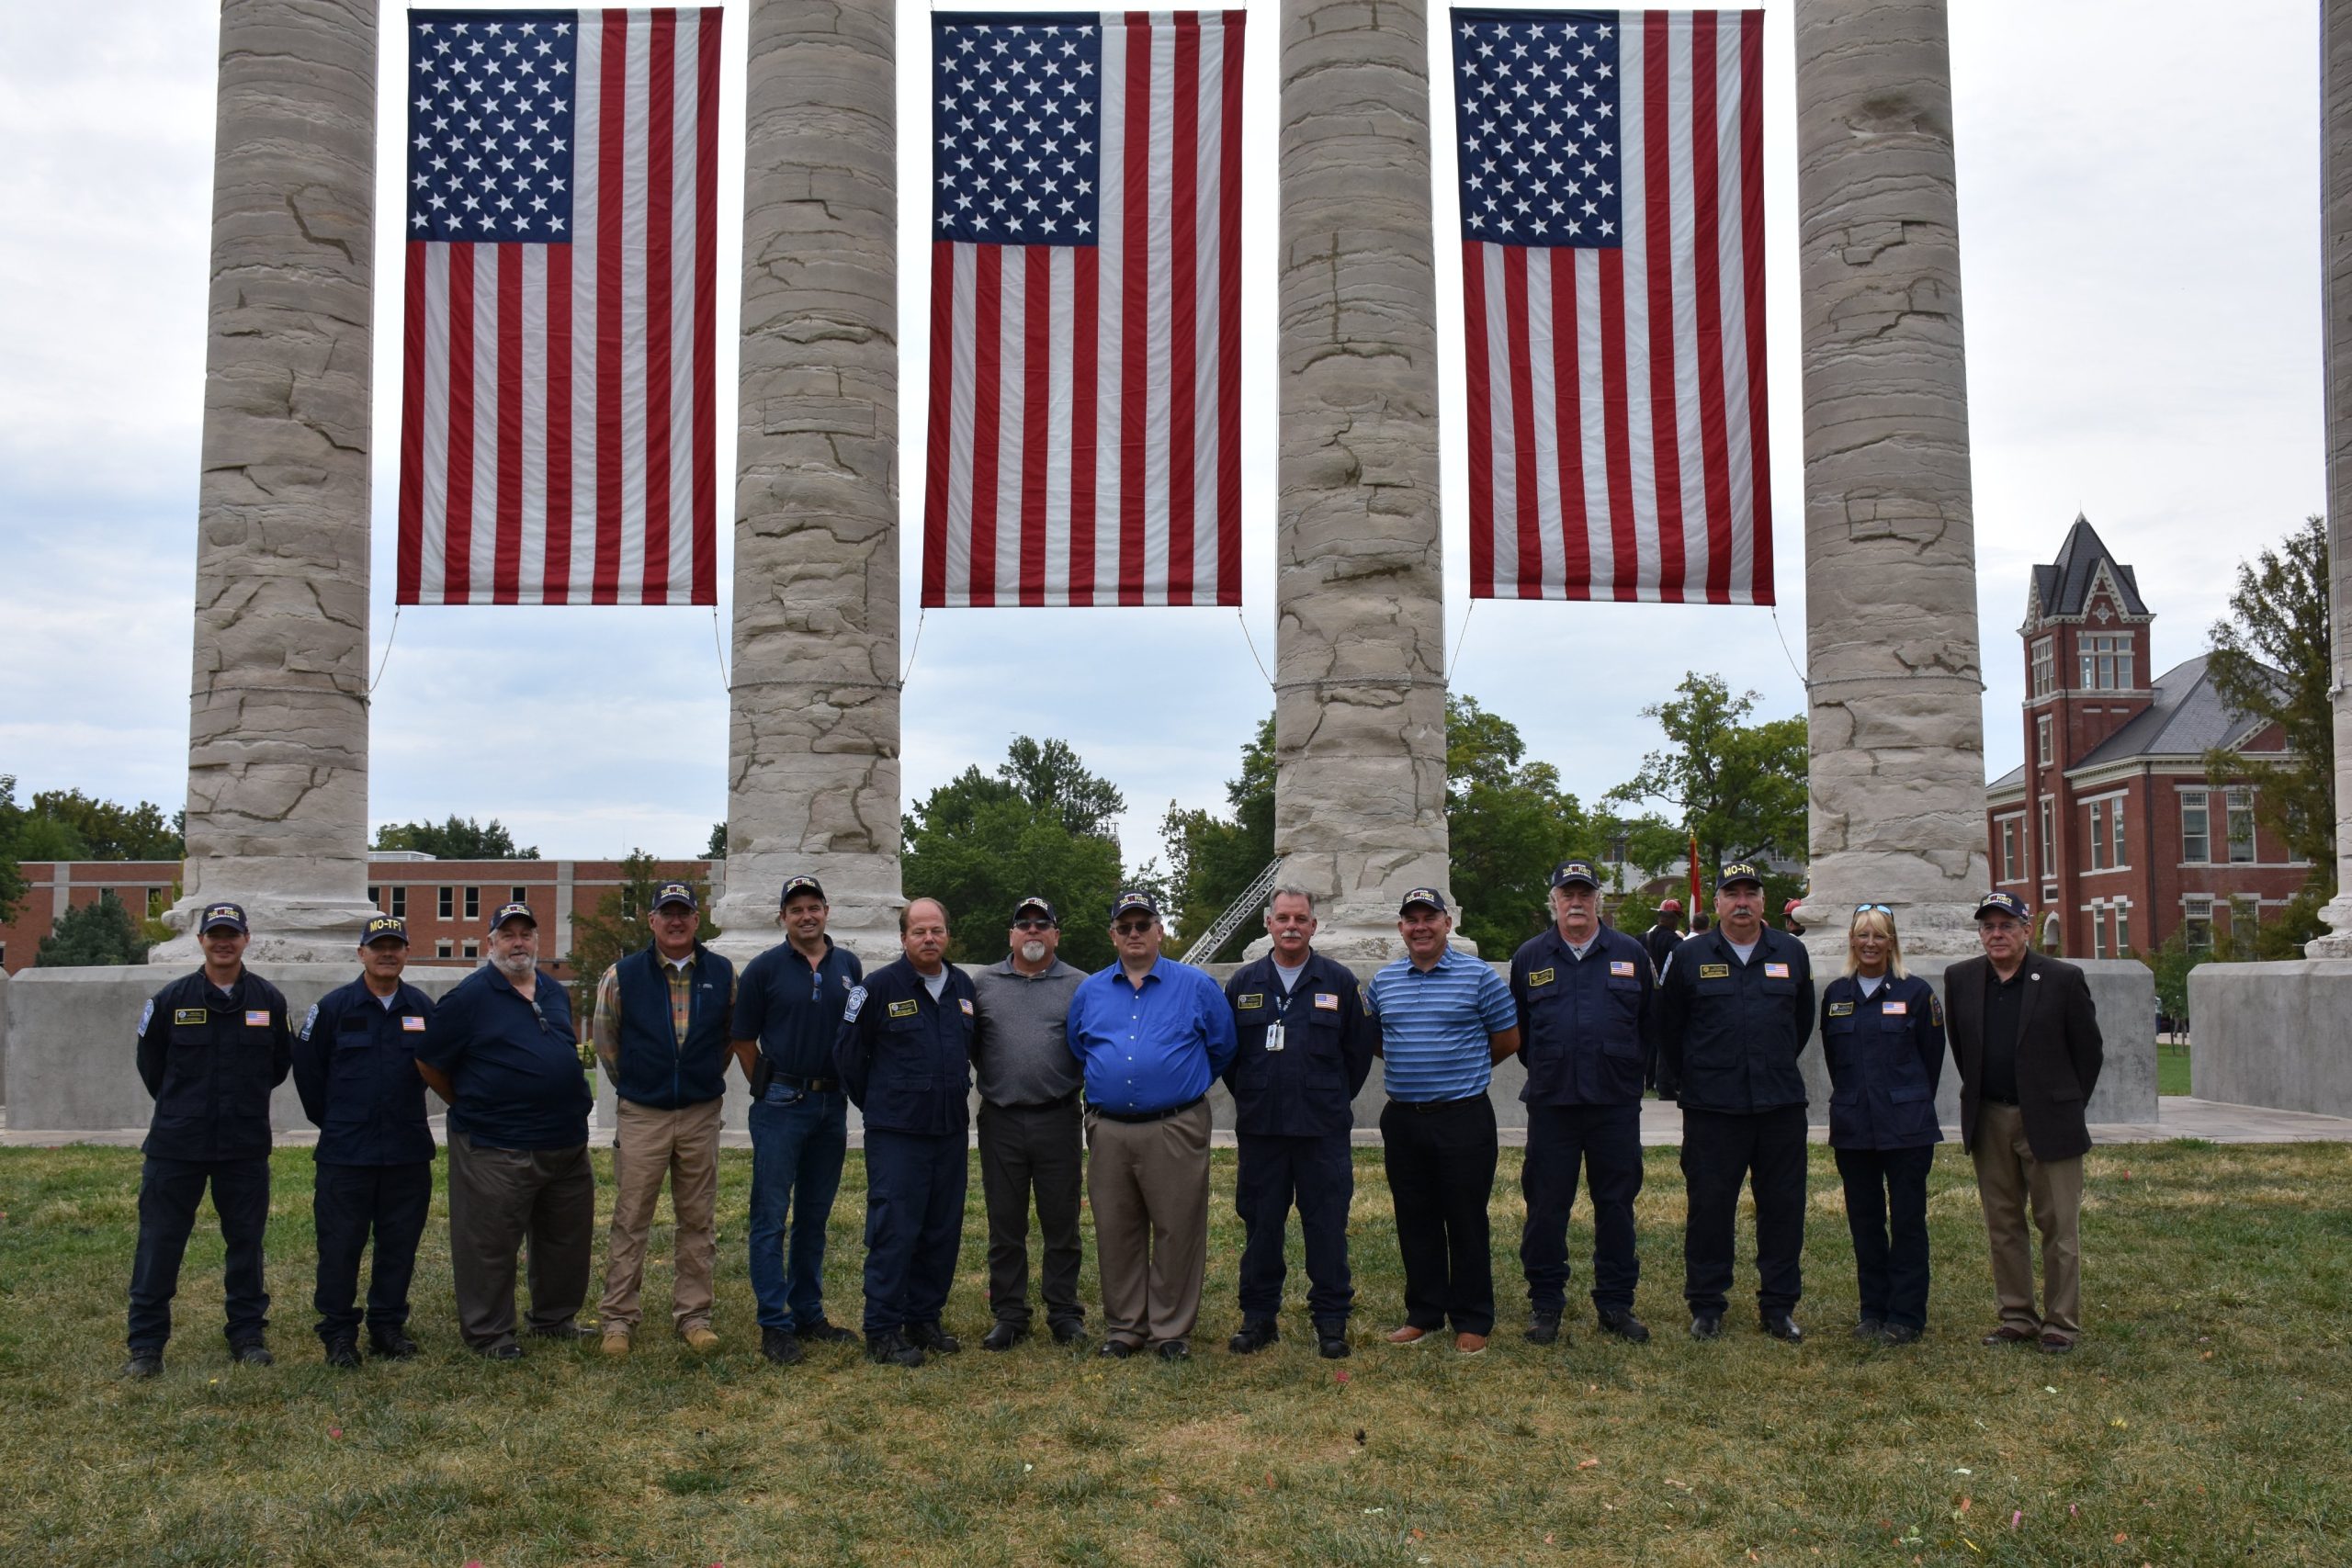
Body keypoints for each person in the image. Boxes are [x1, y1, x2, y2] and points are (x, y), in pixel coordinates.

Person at [415, 902, 595, 1359]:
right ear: (491, 942)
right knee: (488, 1245)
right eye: (508, 934)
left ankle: (555, 1319)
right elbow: (429, 1062)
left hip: (565, 1142)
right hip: (496, 1145)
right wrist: (473, 1103)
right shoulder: (468, 998)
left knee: (565, 1241)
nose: (519, 943)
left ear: (537, 940)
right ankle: (490, 1334)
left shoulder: (553, 991)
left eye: (526, 934)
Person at [123, 901, 295, 1377]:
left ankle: (246, 1335)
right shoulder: (171, 999)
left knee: (245, 1244)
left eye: (232, 934)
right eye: (215, 934)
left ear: (246, 939)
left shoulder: (268, 1001)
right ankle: (146, 1346)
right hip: (177, 1145)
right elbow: (151, 1065)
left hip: (243, 1144)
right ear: (201, 940)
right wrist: (186, 1107)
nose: (224, 942)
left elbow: (278, 1066)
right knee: (159, 1244)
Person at [1067, 890, 1238, 1361]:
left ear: (1160, 930)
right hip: (1109, 1128)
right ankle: (1125, 1328)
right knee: (1116, 1228)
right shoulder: (1091, 991)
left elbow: (1222, 1046)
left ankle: (1170, 1332)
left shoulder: (1196, 986)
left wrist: (1175, 1081)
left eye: (1144, 925)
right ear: (1113, 936)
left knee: (1177, 1228)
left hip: (1175, 1126)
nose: (1135, 934)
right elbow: (1079, 1047)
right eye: (1125, 927)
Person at [1657, 863, 1816, 1343]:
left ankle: (1778, 1305)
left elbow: (1800, 1022)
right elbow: (1669, 1028)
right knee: (1709, 1207)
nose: (1742, 902)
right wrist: (1698, 1078)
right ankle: (1707, 1305)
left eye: (1751, 893)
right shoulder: (1690, 956)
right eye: (1733, 894)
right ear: (1718, 904)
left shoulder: (1791, 952)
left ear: (1764, 902)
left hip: (1778, 1105)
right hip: (1712, 1107)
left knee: (1783, 1207)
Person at [1943, 891, 2103, 1354]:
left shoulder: (2062, 979)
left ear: (2026, 929)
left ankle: (2060, 1323)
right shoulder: (1961, 979)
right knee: (2003, 1223)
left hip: (2049, 1121)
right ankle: (2016, 1315)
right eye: (1988, 926)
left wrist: (2063, 1105)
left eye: (2006, 925)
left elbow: (2088, 1052)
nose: (1997, 934)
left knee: (2059, 1226)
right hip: (1989, 1116)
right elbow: (1962, 1045)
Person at [1221, 887, 1375, 1359]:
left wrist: (1325, 1099)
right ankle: (1258, 1319)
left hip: (1321, 1132)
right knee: (1261, 1227)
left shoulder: (1339, 980)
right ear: (1267, 923)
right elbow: (1231, 1058)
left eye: (1301, 919)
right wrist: (1255, 1094)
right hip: (1263, 1130)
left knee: (1326, 1226)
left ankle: (1331, 1323)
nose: (1291, 926)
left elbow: (1358, 1054)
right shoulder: (1244, 983)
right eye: (1282, 917)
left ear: (1314, 926)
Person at [1365, 887, 1521, 1356]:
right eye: (1411, 919)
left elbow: (1508, 1040)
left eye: (1429, 918)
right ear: (1401, 929)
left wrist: (1460, 1071)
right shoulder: (1383, 982)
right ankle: (1424, 1313)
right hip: (1404, 1118)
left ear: (1446, 923)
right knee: (1415, 1217)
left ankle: (1472, 1319)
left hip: (1464, 1117)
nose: (1420, 927)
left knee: (1466, 1219)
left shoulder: (1480, 978)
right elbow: (1376, 1039)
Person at [1508, 861, 1656, 1348]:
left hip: (1614, 1102)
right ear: (1553, 899)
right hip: (1553, 1103)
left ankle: (1615, 1304)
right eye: (1567, 893)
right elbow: (1521, 1034)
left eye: (1585, 894)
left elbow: (1648, 1025)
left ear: (1597, 900)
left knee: (1616, 1205)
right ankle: (1546, 1304)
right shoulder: (1531, 956)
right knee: (1547, 1207)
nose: (1576, 902)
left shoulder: (1630, 952)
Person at [591, 882, 736, 1358]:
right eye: (666, 913)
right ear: (651, 921)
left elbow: (729, 1040)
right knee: (631, 1218)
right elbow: (606, 1040)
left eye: (684, 913)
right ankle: (618, 1318)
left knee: (697, 1219)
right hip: (643, 1114)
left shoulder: (722, 973)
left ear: (698, 920)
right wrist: (640, 1083)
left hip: (698, 1112)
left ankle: (693, 1315)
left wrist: (695, 1079)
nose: (676, 921)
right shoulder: (622, 975)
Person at [835, 897, 977, 1368]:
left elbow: (970, 1048)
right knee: (894, 1229)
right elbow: (848, 1056)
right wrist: (879, 1104)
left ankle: (924, 1318)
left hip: (949, 1130)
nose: (929, 939)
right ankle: (882, 1328)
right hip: (897, 1134)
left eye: (936, 930)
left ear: (947, 935)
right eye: (919, 932)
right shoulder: (875, 988)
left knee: (941, 1230)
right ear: (903, 939)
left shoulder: (963, 987)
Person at [730, 874, 866, 1365]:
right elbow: (743, 1038)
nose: (806, 916)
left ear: (827, 911)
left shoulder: (849, 964)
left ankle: (808, 1312)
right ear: (782, 918)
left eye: (814, 907)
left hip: (832, 1104)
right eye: (796, 909)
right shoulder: (764, 969)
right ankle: (774, 1321)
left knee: (815, 1215)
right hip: (781, 1104)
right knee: (770, 1218)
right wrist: (764, 1087)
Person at [291, 914, 436, 1367]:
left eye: (396, 945)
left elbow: (439, 1067)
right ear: (361, 954)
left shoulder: (423, 1010)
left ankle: (387, 1327)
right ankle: (338, 1334)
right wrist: (338, 1123)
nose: (387, 953)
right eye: (378, 946)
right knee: (340, 1246)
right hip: (346, 1155)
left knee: (399, 1245)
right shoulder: (333, 1008)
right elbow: (308, 1075)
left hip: (406, 1151)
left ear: (407, 953)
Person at [1817, 905, 1945, 1345]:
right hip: (1854, 1127)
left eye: (1879, 936)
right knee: (1865, 1222)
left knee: (1908, 1222)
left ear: (1892, 942)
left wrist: (1901, 1100)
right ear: (1851, 941)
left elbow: (1931, 1061)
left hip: (1906, 1128)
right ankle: (1872, 1311)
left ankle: (1906, 1316)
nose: (1870, 943)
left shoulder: (1916, 992)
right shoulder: (1835, 994)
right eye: (1862, 935)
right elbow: (1836, 1062)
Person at [970, 897, 1091, 1350]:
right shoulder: (982, 984)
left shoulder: (1081, 985)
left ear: (1056, 934)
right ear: (1012, 935)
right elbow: (974, 1046)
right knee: (1006, 1223)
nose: (1033, 931)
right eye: (1024, 924)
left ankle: (1063, 1312)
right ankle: (1010, 1313)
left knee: (1062, 1222)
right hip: (1001, 1118)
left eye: (1043, 924)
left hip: (1058, 1116)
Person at [1642, 898, 1684, 980]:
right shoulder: (1677, 943)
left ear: (1659, 918)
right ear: (1675, 920)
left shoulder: (1641, 939)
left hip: (1645, 991)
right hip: (1671, 991)